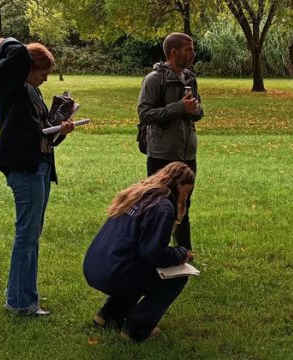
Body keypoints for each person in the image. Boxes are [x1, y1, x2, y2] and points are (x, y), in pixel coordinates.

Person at [0, 36, 75, 317]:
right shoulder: (10, 87)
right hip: (24, 168)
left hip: (41, 165)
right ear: (27, 68)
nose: (45, 79)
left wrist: (61, 128)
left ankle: (25, 296)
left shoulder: (32, 92)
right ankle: (19, 302)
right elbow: (18, 53)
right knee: (26, 235)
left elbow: (41, 132)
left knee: (32, 235)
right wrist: (5, 42)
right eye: (42, 73)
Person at [83, 162, 196, 342]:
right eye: (187, 191)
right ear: (179, 184)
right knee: (177, 277)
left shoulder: (138, 193)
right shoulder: (163, 207)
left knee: (136, 267)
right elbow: (153, 254)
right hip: (115, 272)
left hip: (95, 265)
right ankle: (137, 329)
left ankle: (108, 316)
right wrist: (181, 254)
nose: (186, 197)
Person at [137, 32, 203, 251]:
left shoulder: (190, 79)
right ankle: (155, 251)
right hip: (162, 154)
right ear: (174, 52)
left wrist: (195, 110)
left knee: (184, 204)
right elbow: (145, 114)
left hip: (187, 153)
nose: (193, 53)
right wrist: (179, 108)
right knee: (159, 205)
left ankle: (184, 252)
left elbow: (199, 112)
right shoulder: (154, 80)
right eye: (188, 49)